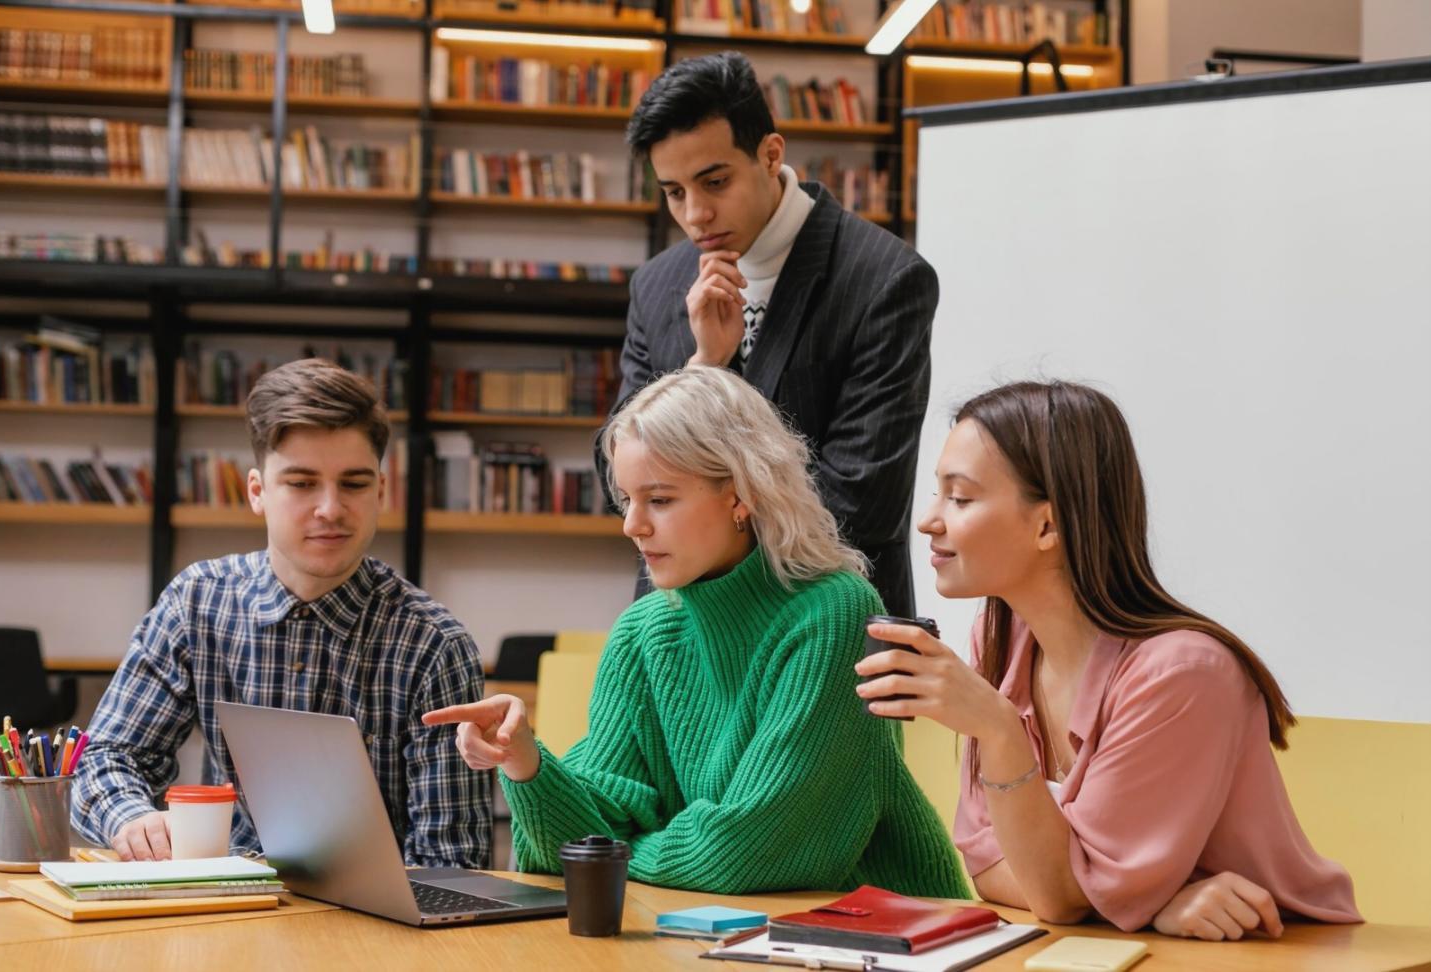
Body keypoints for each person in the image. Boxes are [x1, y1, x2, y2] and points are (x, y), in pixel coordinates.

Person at [426, 367, 968, 897]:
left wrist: (621, 854)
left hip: (874, 938)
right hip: (709, 932)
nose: (632, 525)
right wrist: (527, 765)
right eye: (627, 500)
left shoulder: (834, 614)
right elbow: (568, 853)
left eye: (659, 500)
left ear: (739, 495)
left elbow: (752, 852)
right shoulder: (644, 630)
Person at [856, 380, 1360, 937]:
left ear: (1048, 524)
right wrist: (1140, 902)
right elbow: (990, 868)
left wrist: (1001, 731)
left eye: (961, 497)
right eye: (938, 493)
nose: (929, 520)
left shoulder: (1184, 675)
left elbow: (1056, 896)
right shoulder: (1000, 642)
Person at [72, 358, 491, 867]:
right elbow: (107, 757)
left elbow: (453, 865)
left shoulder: (434, 645)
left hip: (376, 930)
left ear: (381, 491)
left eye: (354, 484)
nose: (331, 509)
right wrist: (131, 819)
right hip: (226, 904)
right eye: (301, 483)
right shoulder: (197, 602)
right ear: (257, 492)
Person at [610, 51, 936, 617]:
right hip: (678, 635)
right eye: (674, 192)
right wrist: (703, 371)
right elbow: (612, 471)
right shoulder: (656, 285)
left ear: (771, 154)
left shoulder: (884, 279)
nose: (696, 215)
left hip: (826, 632)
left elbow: (862, 501)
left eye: (715, 182)